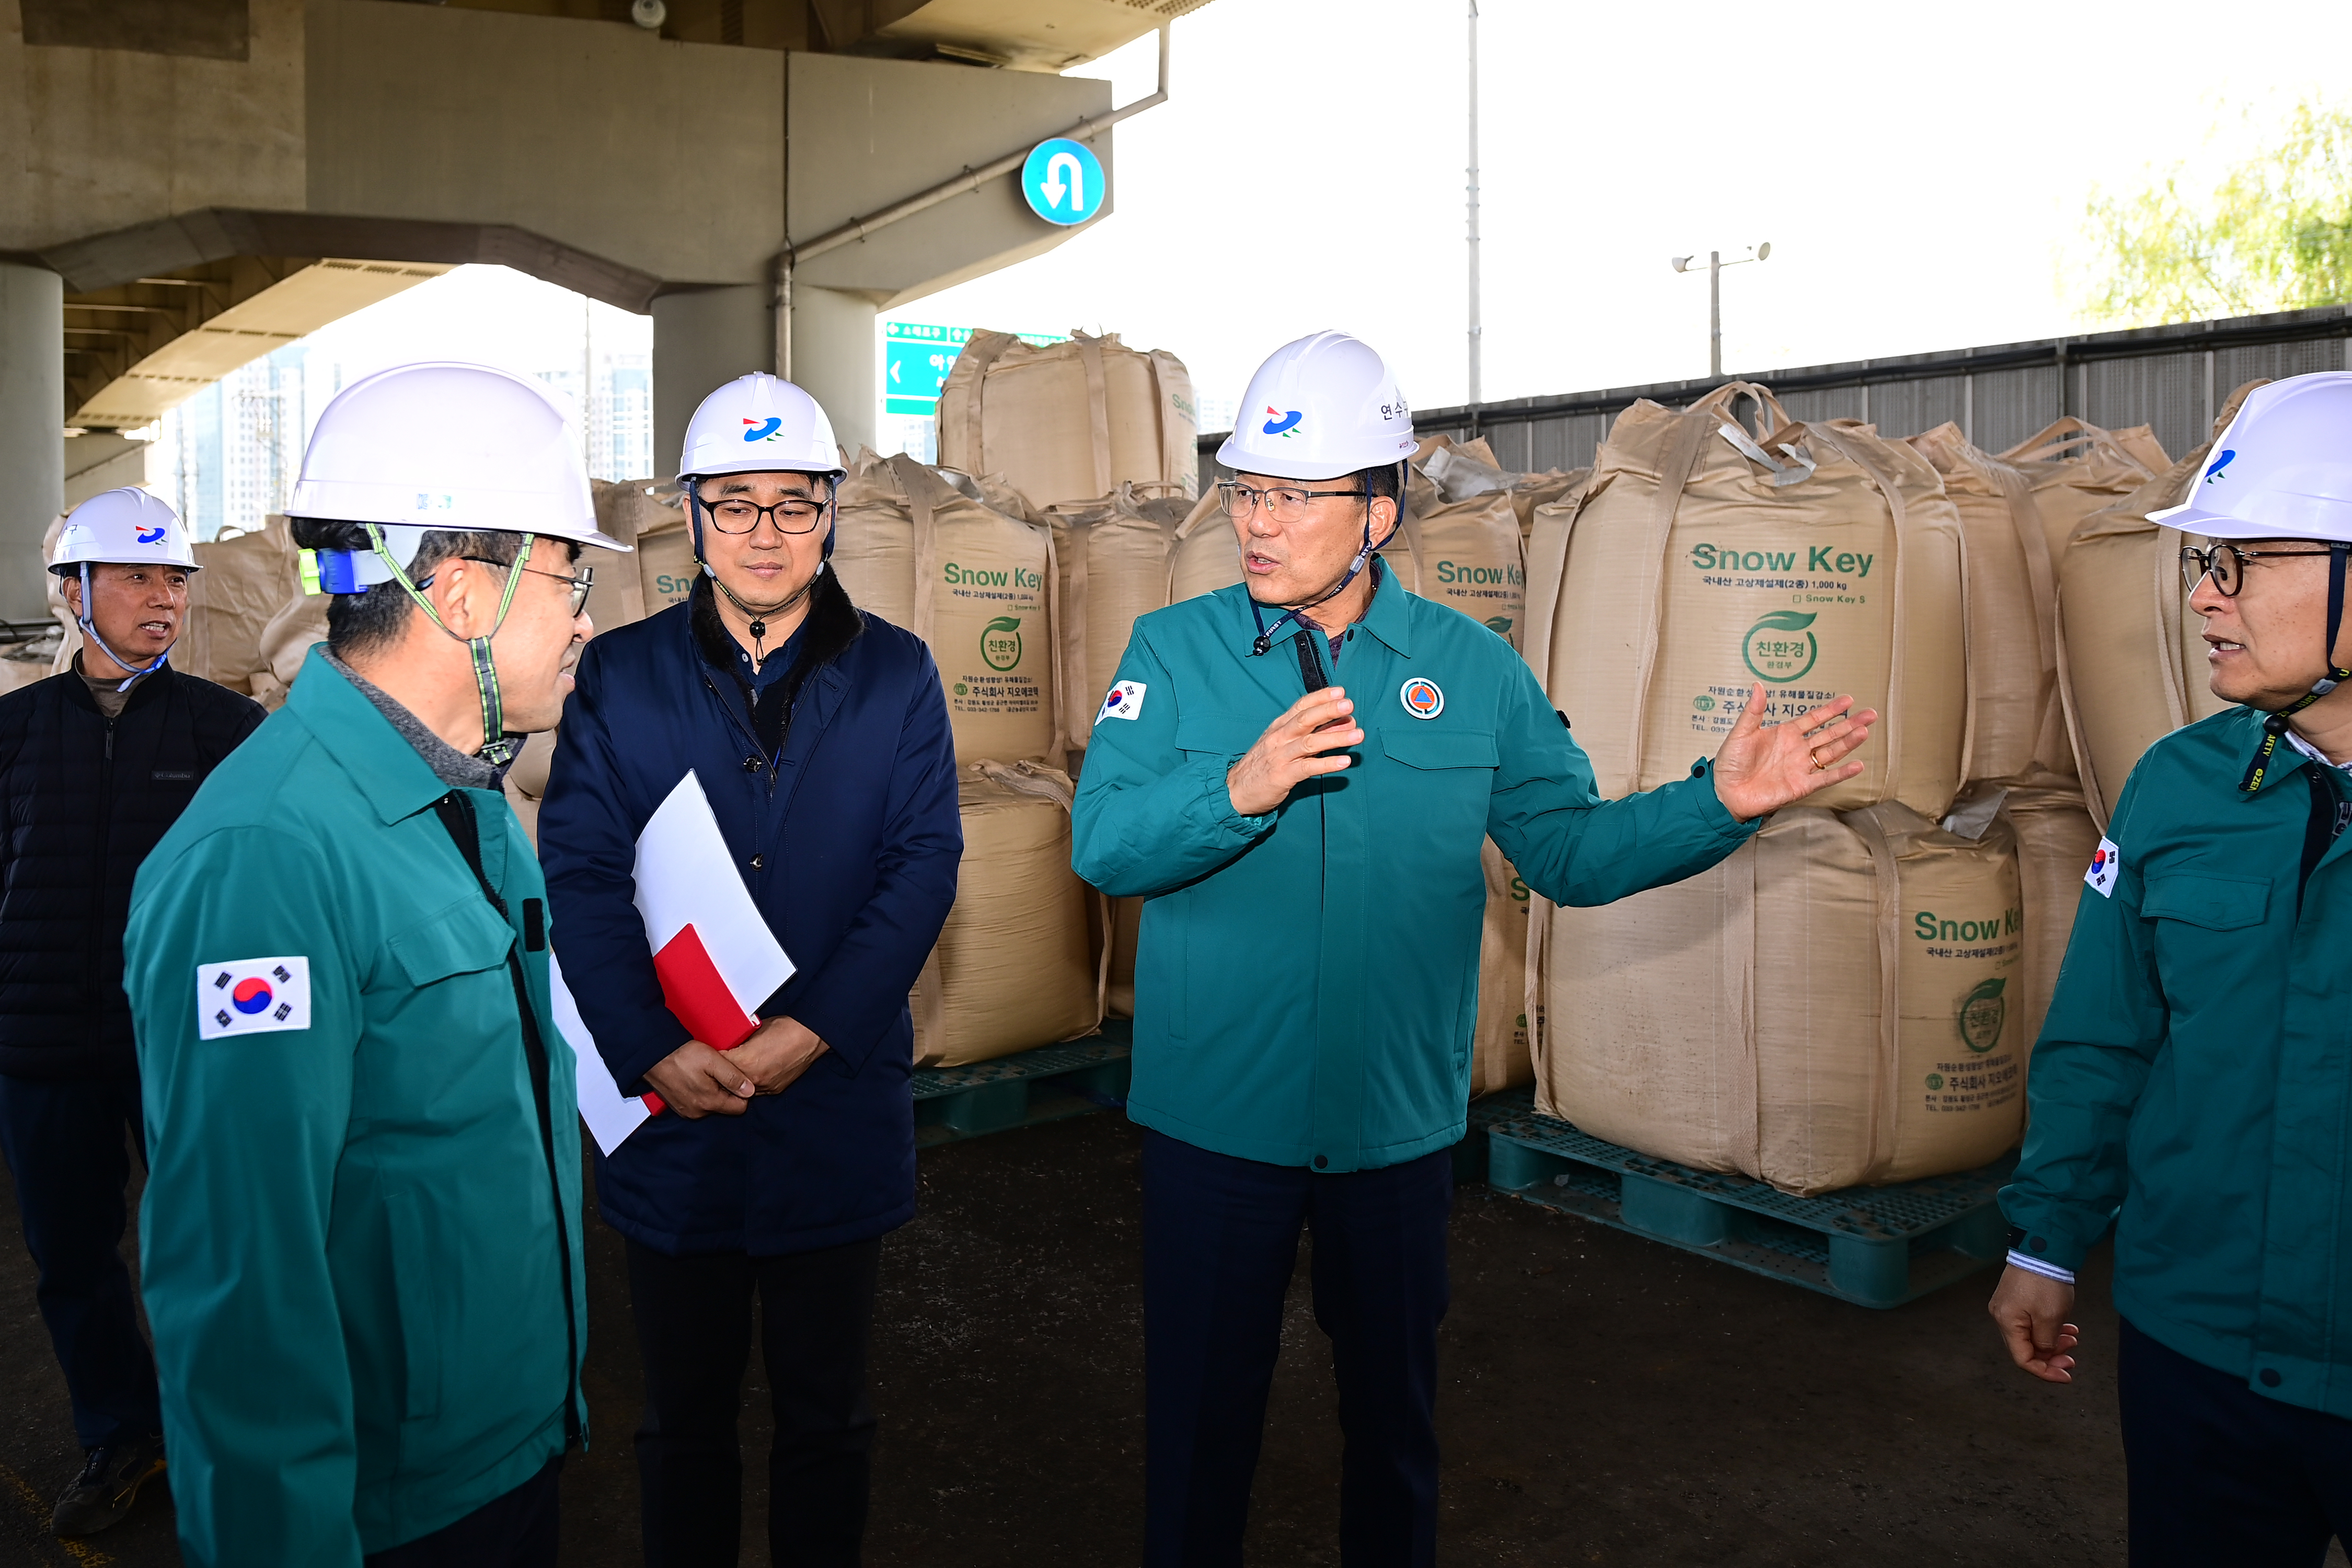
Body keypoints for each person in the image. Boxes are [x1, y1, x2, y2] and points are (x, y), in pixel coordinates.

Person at [1070, 330, 1878, 1567]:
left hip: (1392, 1136)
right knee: (1197, 1430)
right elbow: (1106, 846)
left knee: (1393, 1428)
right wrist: (1237, 786)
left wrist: (1719, 802)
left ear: (1379, 512)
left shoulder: (1477, 673)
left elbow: (1569, 852)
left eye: (1295, 495)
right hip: (1213, 1130)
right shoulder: (1172, 657)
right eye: (1247, 489)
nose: (1259, 521)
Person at [121, 362, 622, 1567]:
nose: (586, 618)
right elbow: (242, 1289)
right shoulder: (265, 860)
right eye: (571, 579)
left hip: (508, 1447)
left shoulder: (472, 803)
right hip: (391, 1508)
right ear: (459, 594)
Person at [539, 373, 960, 1567]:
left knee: (829, 1420)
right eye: (735, 505)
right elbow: (577, 869)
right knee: (682, 1426)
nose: (765, 534)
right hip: (676, 1113)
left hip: (833, 1104)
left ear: (832, 513)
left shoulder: (898, 673)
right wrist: (649, 1045)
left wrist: (814, 1027)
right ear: (691, 517)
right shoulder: (621, 675)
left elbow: (923, 865)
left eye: (792, 504)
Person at [1990, 371, 2352, 1564]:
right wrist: (2046, 1241)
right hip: (2196, 1348)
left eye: (2242, 561)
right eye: (2204, 563)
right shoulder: (2179, 786)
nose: (2205, 597)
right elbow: (2107, 1036)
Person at [0, 488, 263, 1537]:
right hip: (42, 1043)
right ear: (74, 593)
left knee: (213, 1246)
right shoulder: (12, 733)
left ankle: (229, 1434)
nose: (165, 601)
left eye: (175, 581)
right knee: (71, 1257)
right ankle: (123, 1433)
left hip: (186, 1042)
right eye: (138, 578)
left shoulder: (229, 730)